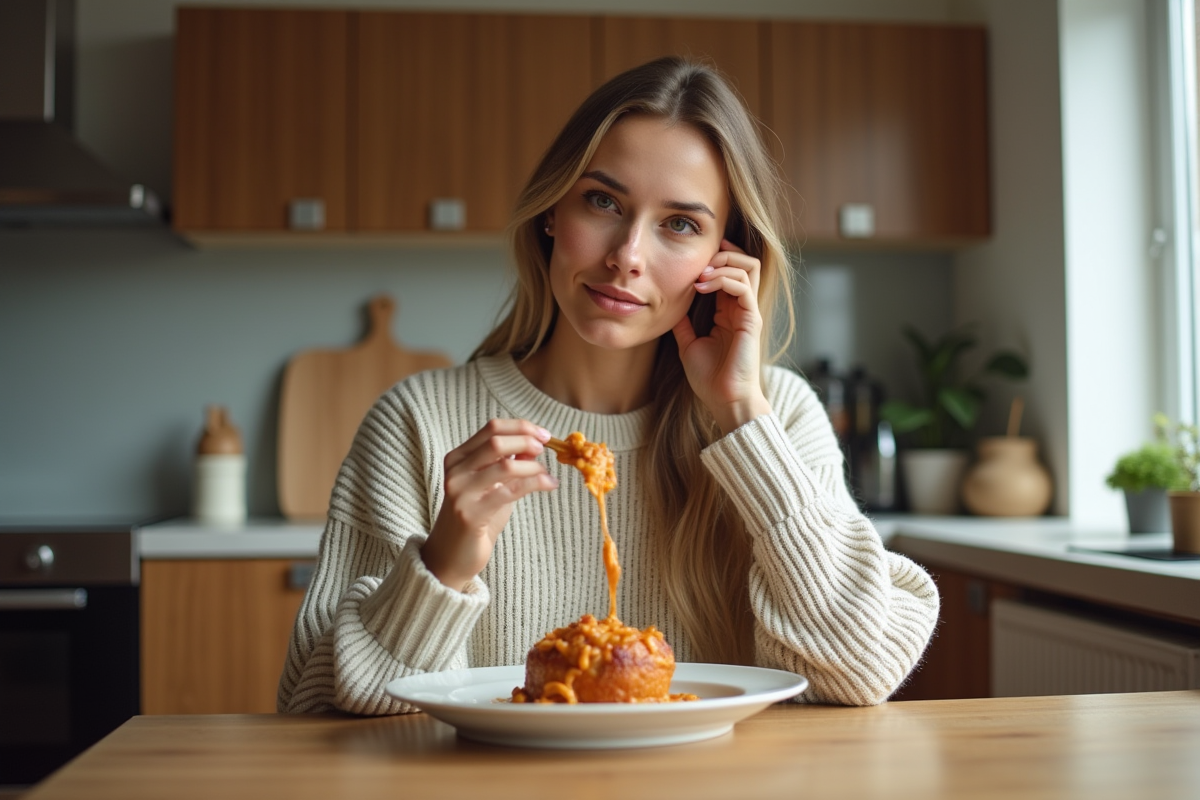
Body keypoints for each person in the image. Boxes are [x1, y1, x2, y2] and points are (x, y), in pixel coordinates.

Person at [278, 57, 938, 715]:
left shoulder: (779, 416)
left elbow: (858, 669)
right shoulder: (418, 423)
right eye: (603, 201)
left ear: (725, 259)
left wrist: (739, 413)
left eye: (680, 224)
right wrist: (442, 569)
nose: (627, 255)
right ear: (550, 213)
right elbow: (313, 713)